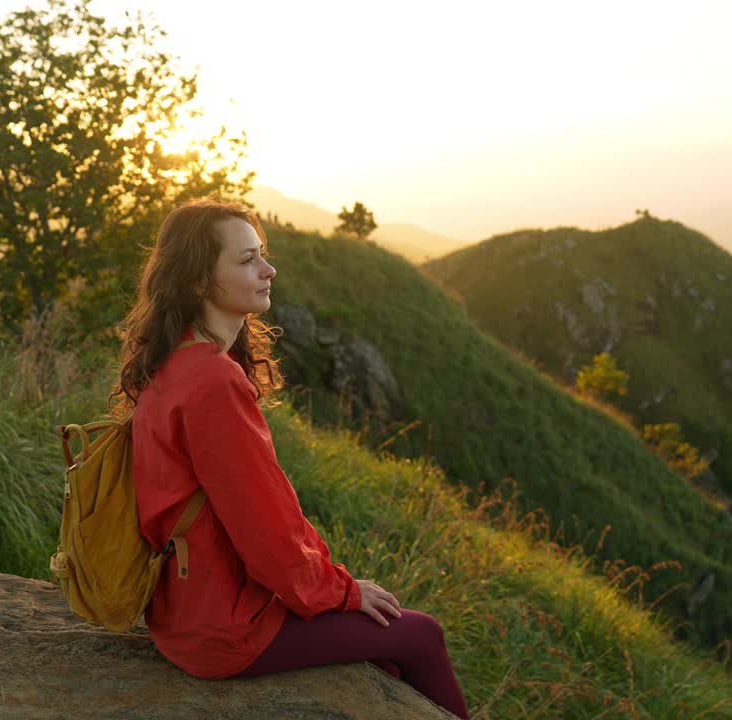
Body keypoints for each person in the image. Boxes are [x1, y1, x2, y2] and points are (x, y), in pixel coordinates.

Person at [110, 197, 469, 719]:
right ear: (197, 283)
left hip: (182, 611)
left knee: (384, 665)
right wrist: (341, 590)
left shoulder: (172, 361)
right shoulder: (213, 381)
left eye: (262, 254)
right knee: (420, 636)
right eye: (247, 259)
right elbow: (264, 530)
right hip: (226, 628)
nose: (268, 269)